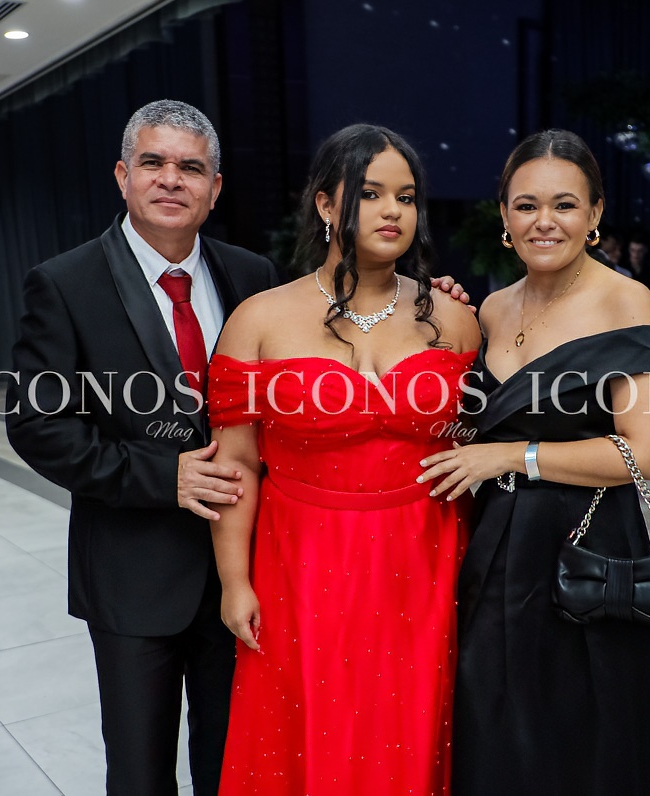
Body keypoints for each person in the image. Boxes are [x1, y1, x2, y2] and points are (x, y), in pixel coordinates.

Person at [6, 100, 281, 795]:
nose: (171, 179)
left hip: (243, 574)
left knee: (234, 766)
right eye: (153, 162)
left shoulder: (254, 276)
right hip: (131, 573)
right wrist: (165, 477)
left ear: (215, 188)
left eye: (191, 167)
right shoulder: (64, 283)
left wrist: (428, 303)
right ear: (122, 176)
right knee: (139, 773)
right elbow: (39, 426)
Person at [205, 123, 481, 795]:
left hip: (426, 556)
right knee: (311, 728)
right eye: (372, 193)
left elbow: (474, 442)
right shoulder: (258, 320)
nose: (393, 212)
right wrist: (235, 581)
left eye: (407, 197)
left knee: (413, 728)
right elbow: (236, 466)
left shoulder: (453, 317)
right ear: (327, 204)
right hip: (302, 560)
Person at [420, 129, 650, 795]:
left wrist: (514, 455)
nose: (544, 221)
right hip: (495, 548)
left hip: (585, 547)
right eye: (526, 205)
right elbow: (467, 422)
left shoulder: (624, 299)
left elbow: (646, 452)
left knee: (581, 735)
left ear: (595, 213)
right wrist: (437, 322)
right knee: (496, 727)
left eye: (565, 205)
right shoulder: (491, 307)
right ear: (504, 216)